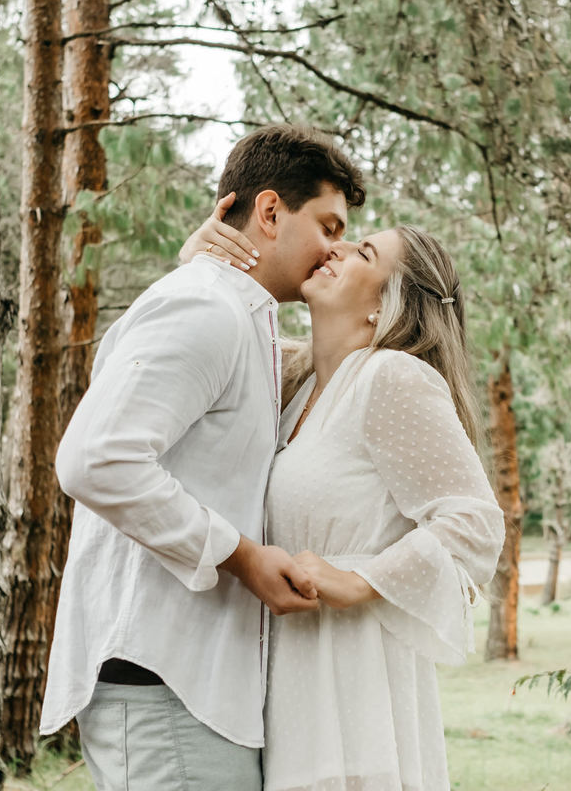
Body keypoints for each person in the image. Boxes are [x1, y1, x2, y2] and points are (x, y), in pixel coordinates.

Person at [40, 124, 367, 791]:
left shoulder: (234, 310)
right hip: (165, 682)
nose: (336, 251)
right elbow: (94, 459)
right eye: (328, 227)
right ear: (271, 211)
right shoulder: (204, 307)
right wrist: (241, 556)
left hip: (195, 687)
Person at [183, 209, 505, 790]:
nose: (337, 248)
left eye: (363, 253)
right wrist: (199, 264)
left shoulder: (390, 379)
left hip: (354, 681)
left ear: (387, 305)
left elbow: (474, 523)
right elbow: (207, 342)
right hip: (288, 682)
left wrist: (362, 580)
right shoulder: (295, 384)